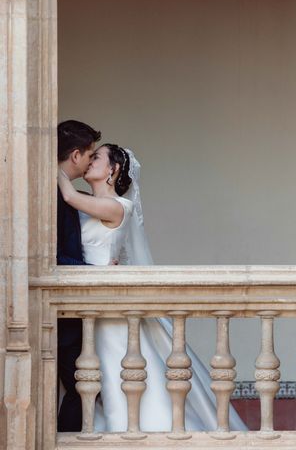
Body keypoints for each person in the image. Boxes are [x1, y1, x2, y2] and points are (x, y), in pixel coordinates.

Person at [57, 142, 246, 432]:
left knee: (117, 376)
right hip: (89, 306)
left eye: (96, 158)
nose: (89, 162)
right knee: (95, 380)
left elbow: (68, 195)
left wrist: (53, 167)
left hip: (109, 312)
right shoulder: (88, 204)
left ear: (113, 170)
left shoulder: (118, 206)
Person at [56, 120, 102, 432]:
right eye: (90, 155)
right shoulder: (56, 197)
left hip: (75, 314)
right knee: (78, 387)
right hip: (62, 316)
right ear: (75, 155)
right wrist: (97, 274)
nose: (90, 161)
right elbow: (53, 257)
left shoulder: (71, 194)